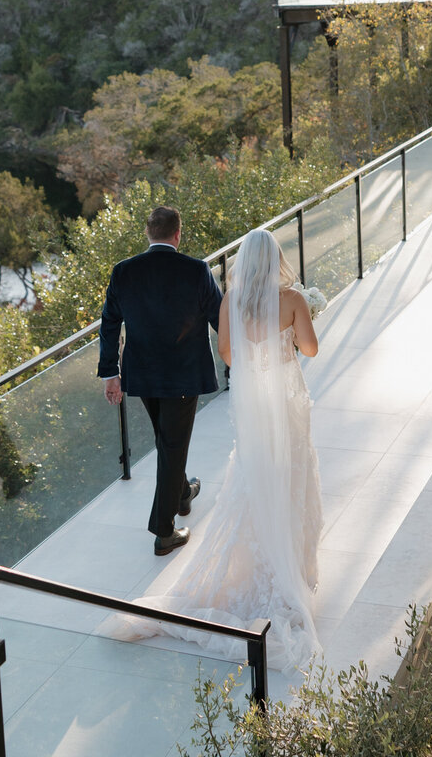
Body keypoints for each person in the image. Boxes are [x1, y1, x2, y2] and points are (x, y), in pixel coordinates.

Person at [123, 226, 324, 673]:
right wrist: (293, 333)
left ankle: (257, 560)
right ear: (275, 260)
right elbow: (310, 347)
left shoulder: (230, 301)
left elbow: (229, 355)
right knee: (291, 472)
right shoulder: (291, 299)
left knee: (253, 474)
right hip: (285, 399)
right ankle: (295, 568)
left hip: (252, 401)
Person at [98, 204, 222, 555]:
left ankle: (182, 492)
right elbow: (219, 316)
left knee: (168, 441)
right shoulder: (197, 270)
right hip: (182, 376)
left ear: (148, 233)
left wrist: (112, 373)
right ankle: (164, 531)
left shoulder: (124, 271)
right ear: (178, 233)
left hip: (141, 375)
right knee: (172, 444)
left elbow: (109, 323)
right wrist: (240, 355)